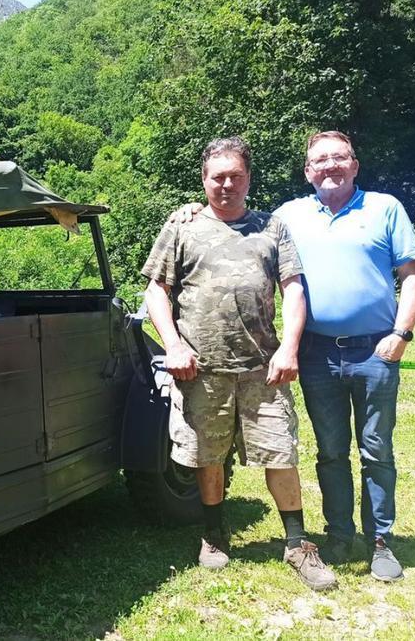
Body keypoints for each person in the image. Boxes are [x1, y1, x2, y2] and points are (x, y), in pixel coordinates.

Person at [169, 131, 415, 582]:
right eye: (320, 161)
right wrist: (190, 209)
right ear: (308, 171)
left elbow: (410, 274)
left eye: (339, 157)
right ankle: (339, 535)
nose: (330, 166)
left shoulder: (380, 208)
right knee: (329, 450)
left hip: (372, 349)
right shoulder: (289, 215)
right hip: (316, 352)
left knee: (373, 448)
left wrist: (402, 333)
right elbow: (220, 218)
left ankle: (377, 542)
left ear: (354, 163)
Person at [142, 136, 336, 591]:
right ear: (204, 180)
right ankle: (213, 534)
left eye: (235, 176)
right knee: (208, 456)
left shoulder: (271, 228)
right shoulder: (181, 228)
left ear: (248, 178)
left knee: (281, 453)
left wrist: (289, 347)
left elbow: (293, 289)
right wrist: (173, 345)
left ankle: (297, 543)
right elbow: (156, 291)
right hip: (201, 370)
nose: (226, 184)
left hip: (263, 369)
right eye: (217, 177)